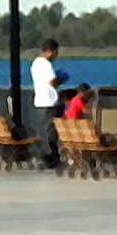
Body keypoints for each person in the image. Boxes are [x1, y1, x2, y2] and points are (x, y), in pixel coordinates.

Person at [30, 38, 68, 167]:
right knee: (51, 133)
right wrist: (62, 78)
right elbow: (52, 82)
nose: (56, 56)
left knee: (44, 133)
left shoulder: (35, 63)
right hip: (49, 103)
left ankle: (46, 157)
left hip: (39, 102)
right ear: (51, 51)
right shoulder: (46, 64)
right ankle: (52, 160)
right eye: (56, 52)